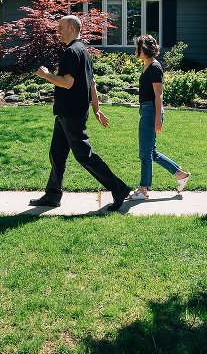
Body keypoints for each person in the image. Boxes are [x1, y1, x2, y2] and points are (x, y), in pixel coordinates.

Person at [29, 15, 132, 211]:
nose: (57, 31)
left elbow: (67, 83)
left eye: (60, 27)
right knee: (57, 155)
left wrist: (45, 75)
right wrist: (96, 109)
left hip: (71, 114)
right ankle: (52, 195)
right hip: (66, 114)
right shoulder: (83, 50)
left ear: (71, 29)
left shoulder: (71, 52)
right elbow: (91, 83)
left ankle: (119, 188)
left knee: (84, 155)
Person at [128, 35, 190, 200]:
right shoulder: (148, 65)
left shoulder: (155, 67)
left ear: (144, 49)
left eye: (138, 47)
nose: (136, 50)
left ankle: (143, 189)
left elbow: (158, 94)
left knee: (145, 153)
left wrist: (157, 117)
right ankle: (180, 174)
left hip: (150, 111)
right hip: (146, 110)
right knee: (151, 152)